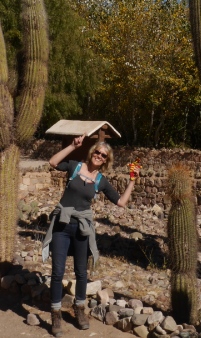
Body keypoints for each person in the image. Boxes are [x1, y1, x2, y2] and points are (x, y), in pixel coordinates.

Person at [42, 135, 138, 337]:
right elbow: (52, 162)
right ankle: (56, 313)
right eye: (97, 152)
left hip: (82, 228)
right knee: (58, 271)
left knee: (81, 273)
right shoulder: (75, 167)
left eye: (103, 156)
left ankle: (79, 309)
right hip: (62, 224)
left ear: (106, 161)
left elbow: (120, 202)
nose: (99, 156)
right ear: (91, 152)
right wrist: (72, 145)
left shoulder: (101, 181)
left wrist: (132, 182)